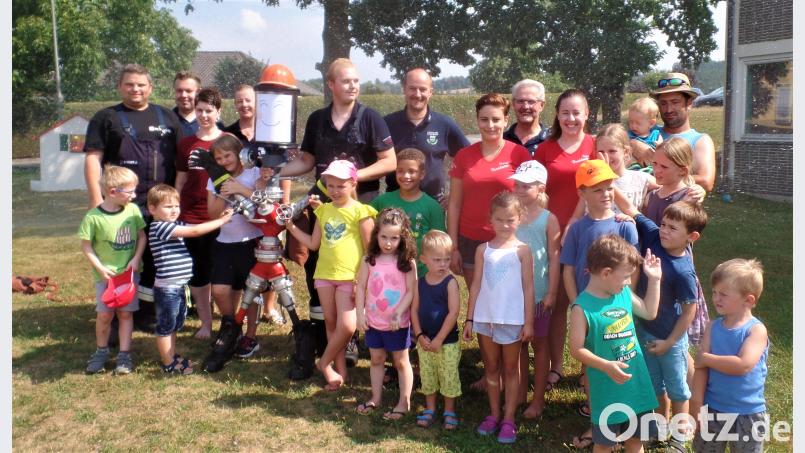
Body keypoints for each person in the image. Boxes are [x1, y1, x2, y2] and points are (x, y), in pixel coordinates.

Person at [280, 58, 395, 365]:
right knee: (319, 268)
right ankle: (326, 336)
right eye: (346, 81)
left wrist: (353, 176)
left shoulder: (370, 118)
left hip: (358, 213)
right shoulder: (317, 119)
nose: (353, 86)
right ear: (331, 85)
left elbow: (389, 162)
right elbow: (306, 160)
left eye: (356, 81)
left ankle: (354, 336)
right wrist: (277, 170)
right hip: (324, 210)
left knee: (357, 272)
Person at [83, 63, 182, 333]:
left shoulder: (167, 118)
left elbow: (181, 162)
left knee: (155, 258)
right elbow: (93, 160)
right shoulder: (107, 118)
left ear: (150, 88)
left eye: (141, 85)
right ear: (120, 87)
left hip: (160, 203)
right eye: (129, 84)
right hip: (121, 205)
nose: (135, 89)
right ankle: (115, 313)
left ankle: (146, 312)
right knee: (119, 257)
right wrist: (96, 201)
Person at [619, 199, 708, 442]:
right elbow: (632, 209)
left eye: (672, 228)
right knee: (655, 385)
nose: (664, 231)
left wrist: (670, 342)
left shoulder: (683, 271)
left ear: (692, 236)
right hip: (647, 331)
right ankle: (659, 425)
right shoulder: (654, 235)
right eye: (664, 224)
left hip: (672, 340)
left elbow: (690, 310)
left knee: (678, 388)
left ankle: (681, 432)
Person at [285, 159, 377, 390]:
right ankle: (338, 374)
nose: (335, 191)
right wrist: (291, 228)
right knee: (331, 323)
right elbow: (314, 244)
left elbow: (370, 251)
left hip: (349, 278)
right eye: (331, 185)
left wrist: (360, 281)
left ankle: (324, 362)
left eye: (341, 186)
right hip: (324, 275)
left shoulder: (362, 212)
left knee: (347, 326)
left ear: (353, 184)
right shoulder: (324, 211)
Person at [568, 235, 662, 452]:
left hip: (636, 383)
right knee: (604, 443)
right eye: (626, 276)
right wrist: (606, 366)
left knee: (635, 440)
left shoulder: (624, 294)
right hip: (606, 388)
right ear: (606, 273)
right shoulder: (582, 308)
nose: (629, 282)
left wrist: (655, 280)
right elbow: (576, 349)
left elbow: (649, 312)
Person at [533, 88, 598, 389]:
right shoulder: (545, 149)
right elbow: (537, 191)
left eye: (577, 112)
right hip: (553, 235)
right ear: (557, 115)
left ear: (587, 114)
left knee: (592, 301)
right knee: (557, 303)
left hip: (588, 232)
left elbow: (600, 184)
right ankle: (556, 366)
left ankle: (590, 368)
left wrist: (574, 218)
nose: (571, 118)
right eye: (565, 113)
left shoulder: (595, 146)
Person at [462, 192, 535, 444]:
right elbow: (475, 286)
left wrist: (528, 322)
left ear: (519, 219)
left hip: (512, 321)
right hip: (485, 319)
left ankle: (509, 418)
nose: (505, 225)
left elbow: (528, 288)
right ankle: (493, 414)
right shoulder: (483, 250)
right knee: (491, 368)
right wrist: (470, 319)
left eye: (510, 220)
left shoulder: (523, 251)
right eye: (500, 219)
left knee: (510, 369)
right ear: (490, 220)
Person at [447, 93, 531, 295]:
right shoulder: (464, 156)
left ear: (506, 120)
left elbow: (530, 199)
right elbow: (455, 204)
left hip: (508, 238)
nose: (490, 125)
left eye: (496, 119)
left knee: (507, 299)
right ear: (477, 120)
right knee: (480, 301)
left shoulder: (519, 154)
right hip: (470, 239)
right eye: (484, 119)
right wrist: (453, 247)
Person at [145, 184, 233, 375]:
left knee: (174, 325)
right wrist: (222, 220)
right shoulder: (159, 227)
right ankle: (168, 364)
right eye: (168, 207)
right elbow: (195, 232)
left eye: (176, 206)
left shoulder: (174, 224)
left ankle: (171, 355)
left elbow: (195, 227)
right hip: (168, 289)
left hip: (177, 287)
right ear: (152, 209)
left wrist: (220, 218)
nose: (174, 210)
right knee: (165, 328)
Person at [201, 134, 266, 372]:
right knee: (219, 289)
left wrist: (240, 188)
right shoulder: (215, 179)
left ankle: (250, 335)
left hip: (250, 240)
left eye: (227, 155)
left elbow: (264, 206)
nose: (223, 161)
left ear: (239, 153)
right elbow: (212, 214)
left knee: (252, 290)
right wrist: (224, 191)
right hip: (224, 241)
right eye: (218, 158)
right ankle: (231, 325)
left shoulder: (253, 174)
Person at [691, 259, 769, 453]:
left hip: (748, 413)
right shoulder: (712, 327)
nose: (716, 298)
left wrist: (707, 358)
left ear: (748, 300)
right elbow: (700, 370)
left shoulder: (756, 330)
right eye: (715, 292)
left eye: (724, 294)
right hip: (713, 408)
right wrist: (696, 403)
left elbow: (743, 365)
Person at [78, 166, 146, 374]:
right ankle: (101, 351)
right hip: (105, 277)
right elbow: (86, 246)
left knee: (126, 314)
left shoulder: (133, 211)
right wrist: (100, 268)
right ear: (113, 191)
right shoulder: (93, 217)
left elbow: (142, 236)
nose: (134, 196)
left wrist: (136, 258)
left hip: (129, 275)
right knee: (105, 316)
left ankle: (124, 355)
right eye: (130, 192)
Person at [509, 161, 561, 419]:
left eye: (525, 186)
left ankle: (538, 399)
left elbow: (554, 258)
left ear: (540, 188)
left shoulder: (548, 219)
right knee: (518, 344)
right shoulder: (512, 216)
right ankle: (519, 392)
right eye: (516, 183)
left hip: (539, 296)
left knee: (540, 346)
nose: (518, 189)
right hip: (514, 295)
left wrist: (551, 292)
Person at [354, 208, 417, 420]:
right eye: (383, 237)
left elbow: (411, 291)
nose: (388, 243)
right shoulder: (368, 260)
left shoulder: (407, 262)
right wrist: (360, 315)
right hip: (373, 321)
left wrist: (399, 313)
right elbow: (361, 287)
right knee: (376, 359)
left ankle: (404, 402)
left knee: (400, 362)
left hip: (396, 323)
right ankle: (376, 397)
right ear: (376, 235)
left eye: (394, 238)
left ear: (403, 237)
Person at [174, 87, 225, 339]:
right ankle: (206, 323)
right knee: (199, 272)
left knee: (223, 275)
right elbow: (181, 180)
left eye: (209, 110)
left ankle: (228, 322)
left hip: (222, 218)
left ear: (219, 111)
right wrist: (173, 210)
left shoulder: (228, 142)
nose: (204, 115)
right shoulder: (185, 144)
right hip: (192, 217)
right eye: (200, 110)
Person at [383, 68, 469, 203]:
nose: (417, 94)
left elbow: (468, 159)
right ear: (404, 89)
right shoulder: (387, 124)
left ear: (430, 92)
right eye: (412, 88)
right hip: (394, 205)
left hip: (433, 206)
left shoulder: (444, 124)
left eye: (422, 89)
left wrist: (456, 194)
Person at [631, 72, 716, 192]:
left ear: (689, 103)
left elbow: (706, 181)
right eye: (663, 103)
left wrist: (658, 179)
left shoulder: (700, 140)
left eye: (675, 102)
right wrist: (633, 144)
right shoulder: (646, 131)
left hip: (674, 209)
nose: (668, 109)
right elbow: (610, 140)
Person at [411, 230, 462, 430]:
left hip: (446, 341)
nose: (443, 264)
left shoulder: (450, 283)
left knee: (448, 375)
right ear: (424, 260)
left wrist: (440, 338)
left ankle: (449, 410)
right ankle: (430, 407)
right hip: (425, 341)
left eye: (447, 259)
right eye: (437, 259)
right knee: (428, 375)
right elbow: (414, 310)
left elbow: (453, 312)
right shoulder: (420, 283)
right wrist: (419, 335)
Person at [371, 148, 445, 277]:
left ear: (422, 174)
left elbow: (440, 244)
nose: (406, 176)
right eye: (400, 171)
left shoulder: (432, 207)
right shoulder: (382, 201)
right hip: (387, 273)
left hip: (421, 274)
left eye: (412, 172)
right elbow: (363, 220)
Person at [596, 123, 658, 214]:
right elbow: (579, 215)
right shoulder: (592, 181)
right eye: (601, 152)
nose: (607, 156)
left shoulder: (639, 178)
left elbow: (670, 187)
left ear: (626, 151)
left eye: (612, 151)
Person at [504, 79, 551, 156]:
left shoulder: (553, 140)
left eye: (531, 101)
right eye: (520, 101)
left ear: (541, 105)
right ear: (513, 104)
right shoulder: (502, 140)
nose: (525, 106)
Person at [626, 97, 664, 169]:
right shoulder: (628, 135)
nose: (633, 126)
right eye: (631, 122)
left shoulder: (656, 135)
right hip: (633, 169)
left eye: (638, 123)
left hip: (652, 169)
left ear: (651, 123)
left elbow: (662, 149)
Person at [172, 72, 201, 136]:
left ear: (198, 92)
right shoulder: (166, 121)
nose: (183, 95)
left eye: (188, 91)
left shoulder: (211, 123)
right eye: (179, 91)